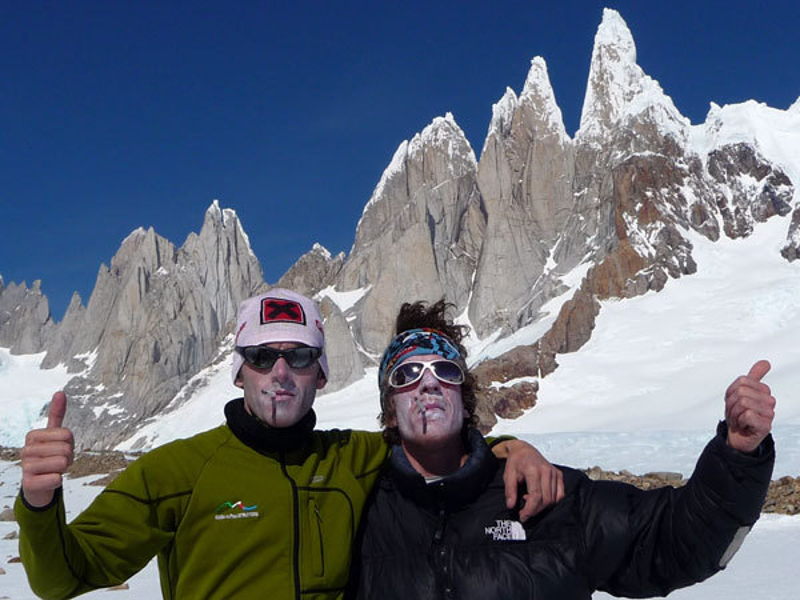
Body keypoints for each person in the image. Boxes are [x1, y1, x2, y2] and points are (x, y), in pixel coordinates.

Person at [15, 288, 561, 599]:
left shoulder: (352, 458)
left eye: (299, 357)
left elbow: (433, 448)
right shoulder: (176, 472)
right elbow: (59, 577)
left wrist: (512, 447)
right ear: (238, 373)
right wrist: (39, 505)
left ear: (320, 374)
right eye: (261, 356)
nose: (280, 371)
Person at [349, 299, 776, 599]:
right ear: (389, 413)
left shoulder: (549, 498)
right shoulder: (357, 515)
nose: (427, 384)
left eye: (444, 370)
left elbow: (674, 543)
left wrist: (738, 453)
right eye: (405, 375)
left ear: (465, 400)